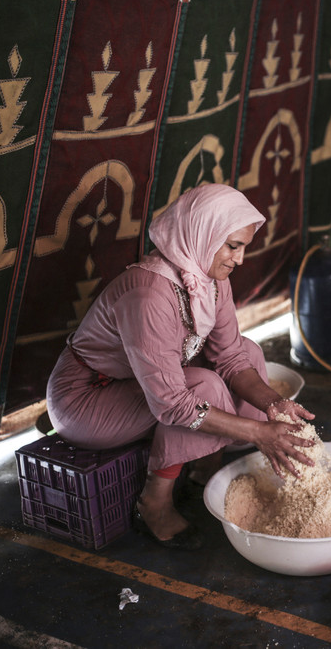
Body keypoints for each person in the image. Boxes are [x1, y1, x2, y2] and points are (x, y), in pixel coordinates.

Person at [45, 184, 315, 550]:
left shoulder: (209, 280)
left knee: (249, 352)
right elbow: (172, 403)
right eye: (233, 245)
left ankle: (206, 467)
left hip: (136, 384)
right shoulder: (149, 294)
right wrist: (259, 432)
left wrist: (272, 405)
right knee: (201, 386)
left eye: (244, 247)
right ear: (202, 233)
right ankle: (155, 501)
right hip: (86, 397)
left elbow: (232, 356)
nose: (239, 259)